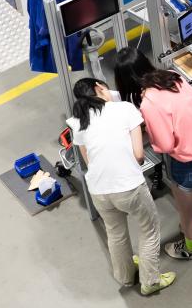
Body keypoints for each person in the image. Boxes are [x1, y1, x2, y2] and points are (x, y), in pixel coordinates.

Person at [68, 78, 176, 295]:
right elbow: (138, 156)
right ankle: (150, 281)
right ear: (99, 88)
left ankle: (126, 277)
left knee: (115, 233)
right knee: (149, 230)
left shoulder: (78, 121)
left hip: (98, 189)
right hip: (128, 186)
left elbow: (88, 160)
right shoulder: (125, 109)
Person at [115, 48, 192, 261]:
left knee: (187, 210)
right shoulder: (174, 78)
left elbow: (165, 144)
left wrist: (147, 133)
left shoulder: (149, 103)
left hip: (189, 160)